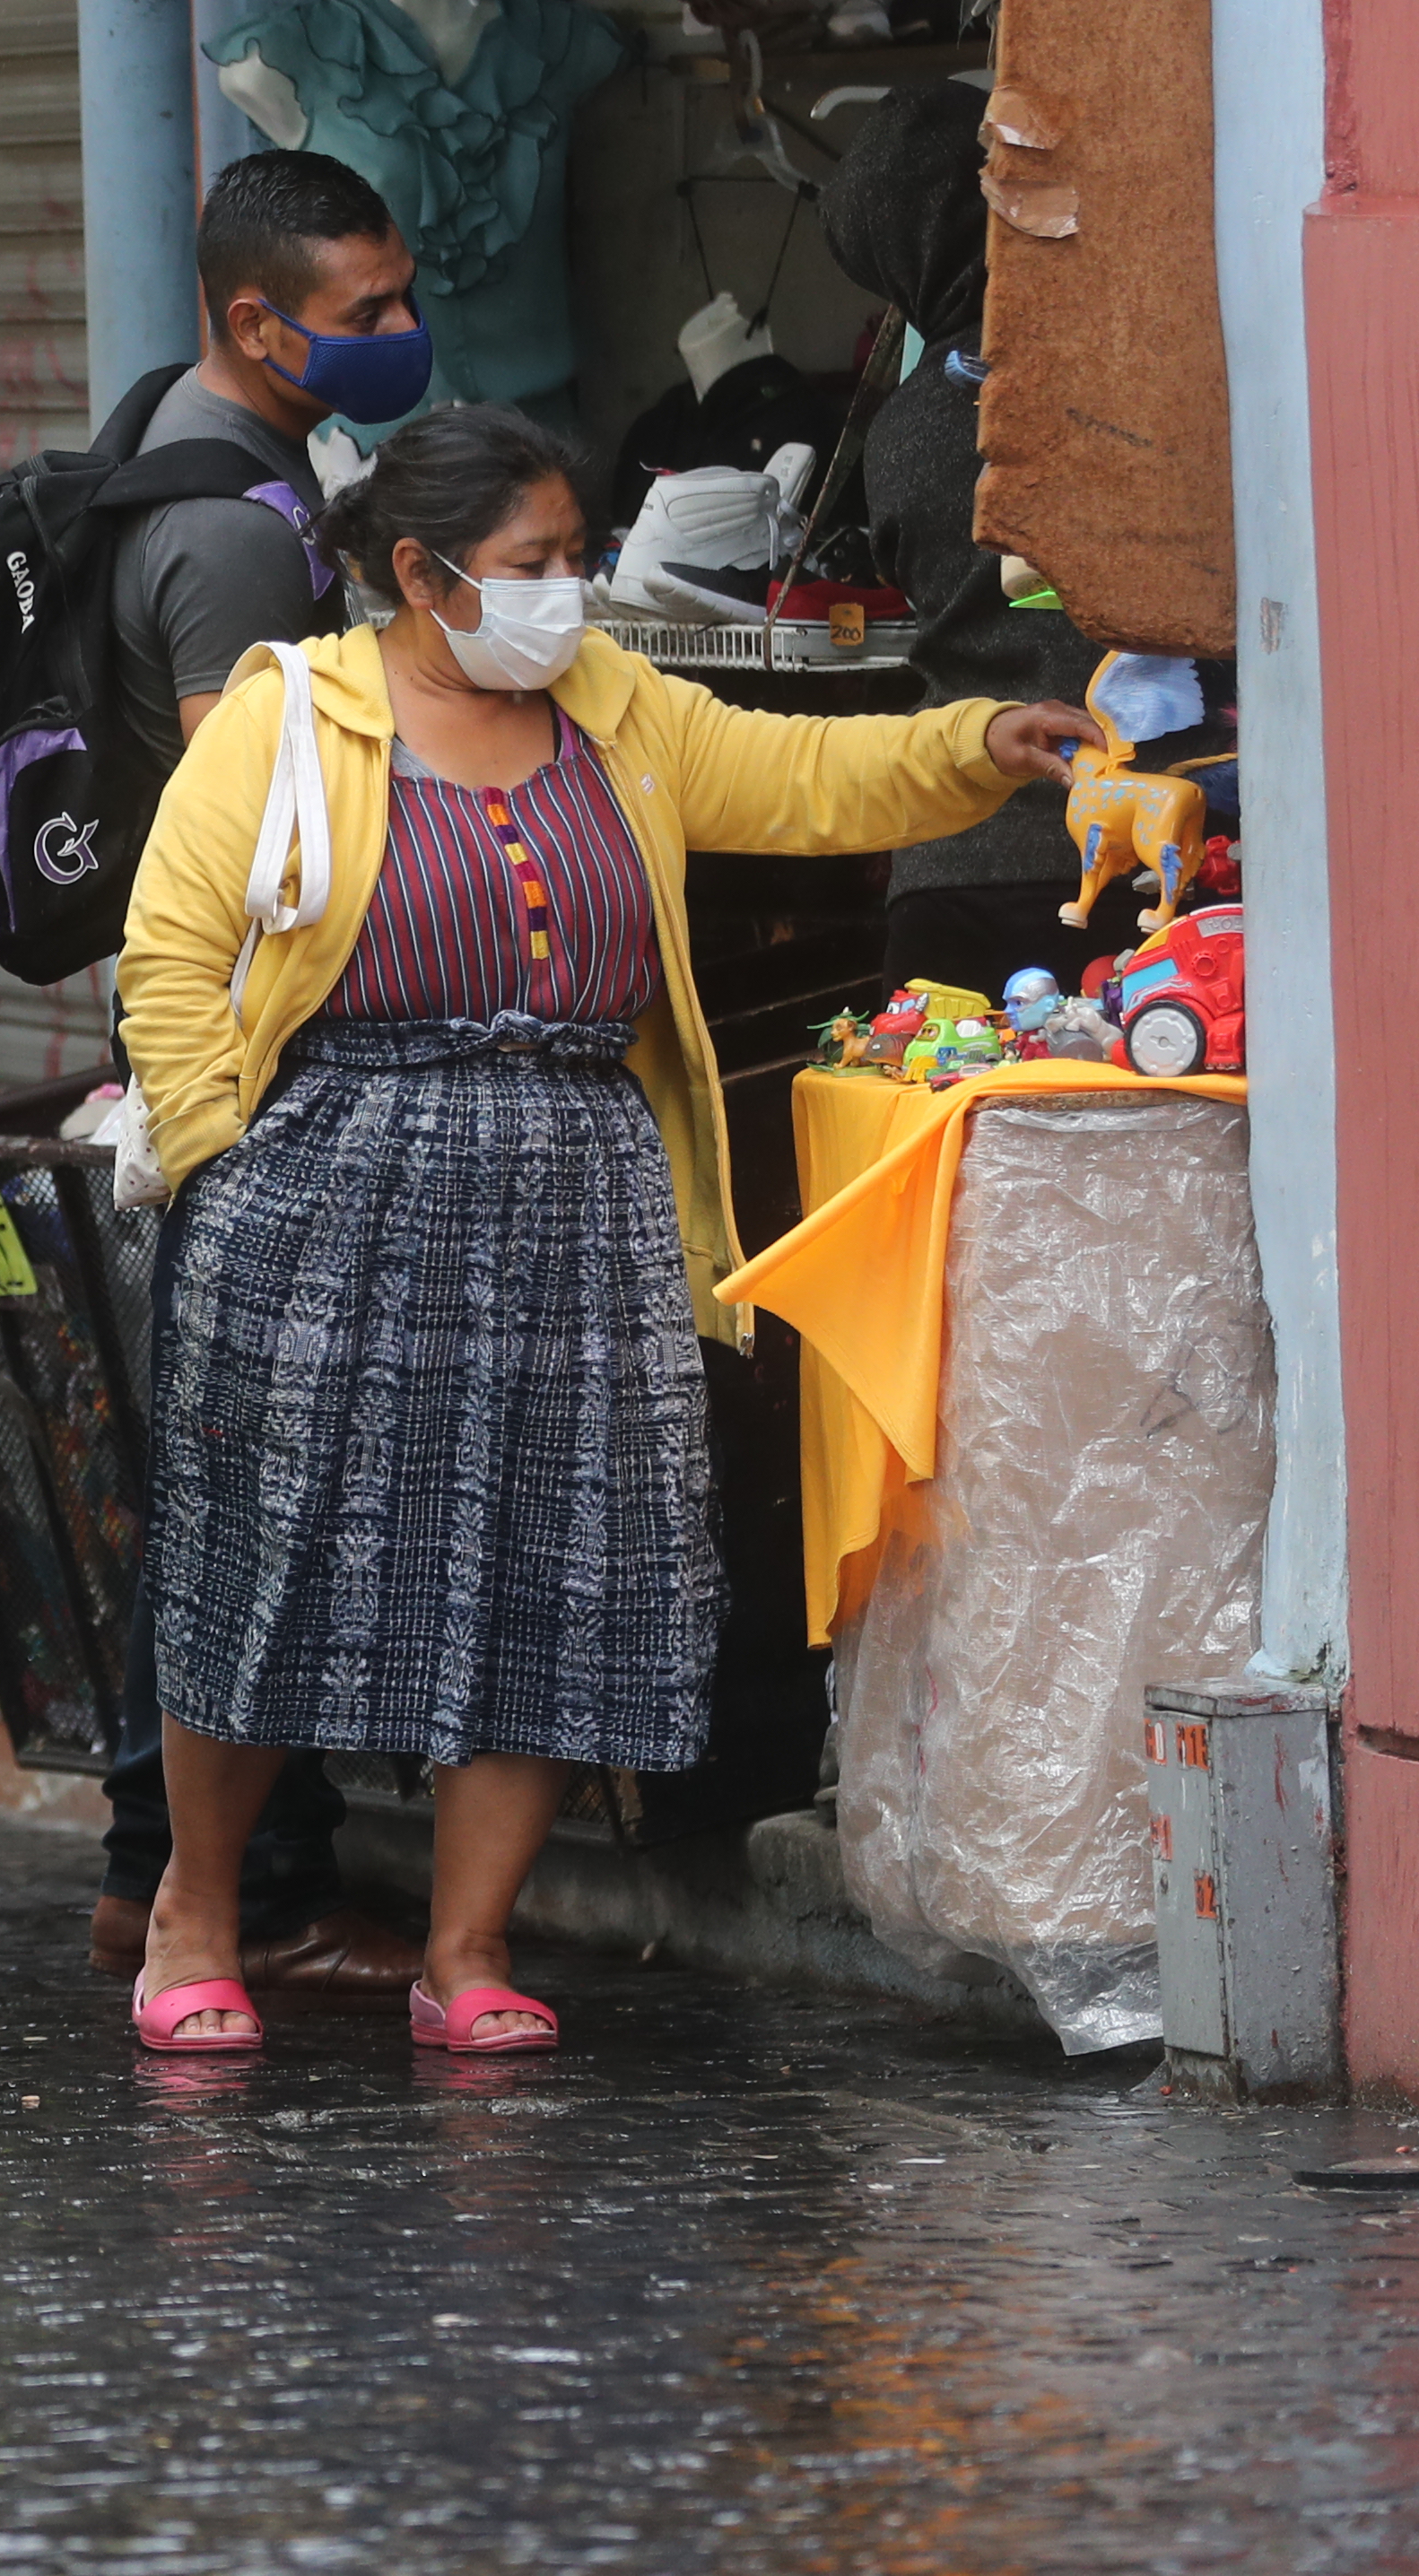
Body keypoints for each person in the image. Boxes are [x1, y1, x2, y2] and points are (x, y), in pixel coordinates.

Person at [109, 406, 1097, 2057]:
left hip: (577, 1190)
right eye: (532, 565)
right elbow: (166, 961)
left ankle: (469, 1946)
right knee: (263, 1556)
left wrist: (975, 741)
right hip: (323, 1185)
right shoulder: (291, 713)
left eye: (575, 558)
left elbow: (797, 772)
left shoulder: (610, 704)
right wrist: (231, 1168)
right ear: (417, 576)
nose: (568, 593)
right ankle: (193, 1912)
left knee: (555, 1567)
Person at [84, 152, 442, 2006]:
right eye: (365, 314)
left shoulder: (187, 426)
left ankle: (173, 1861)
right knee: (248, 1475)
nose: (398, 339)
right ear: (254, 318)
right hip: (238, 1042)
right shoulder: (227, 525)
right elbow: (254, 805)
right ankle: (226, 1880)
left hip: (237, 1039)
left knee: (228, 1464)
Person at [838, 78, 1228, 988]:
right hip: (1151, 831)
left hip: (957, 847)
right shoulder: (1141, 367)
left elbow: (910, 567)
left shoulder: (908, 422)